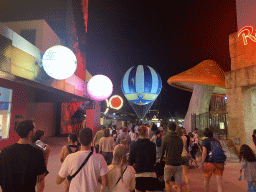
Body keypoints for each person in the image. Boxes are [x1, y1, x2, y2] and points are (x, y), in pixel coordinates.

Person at [0, 120, 48, 192]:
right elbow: (41, 176)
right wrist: (46, 155)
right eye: (34, 128)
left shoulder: (5, 151)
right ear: (30, 133)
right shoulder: (36, 153)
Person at [56, 128, 109, 192]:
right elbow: (105, 183)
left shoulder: (70, 158)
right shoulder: (100, 158)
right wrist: (95, 176)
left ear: (79, 140)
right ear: (92, 140)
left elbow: (58, 181)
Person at [129, 125, 157, 192]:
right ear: (147, 133)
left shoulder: (134, 144)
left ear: (138, 133)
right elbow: (154, 160)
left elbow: (130, 161)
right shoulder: (152, 145)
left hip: (138, 174)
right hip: (150, 174)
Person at [160, 122, 183, 192]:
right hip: (178, 163)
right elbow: (180, 151)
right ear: (175, 128)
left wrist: (161, 159)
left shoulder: (165, 138)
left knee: (167, 182)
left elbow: (162, 151)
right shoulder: (180, 139)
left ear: (168, 128)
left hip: (169, 163)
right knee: (178, 184)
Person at [201, 128, 225, 192]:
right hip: (219, 162)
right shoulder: (217, 141)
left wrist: (202, 162)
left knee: (206, 181)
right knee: (219, 184)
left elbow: (204, 152)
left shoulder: (205, 141)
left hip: (208, 163)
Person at [177, 127, 191, 192]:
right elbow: (185, 146)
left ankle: (179, 189)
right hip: (185, 154)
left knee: (178, 174)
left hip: (179, 156)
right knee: (186, 174)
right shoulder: (185, 138)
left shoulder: (176, 138)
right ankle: (189, 189)